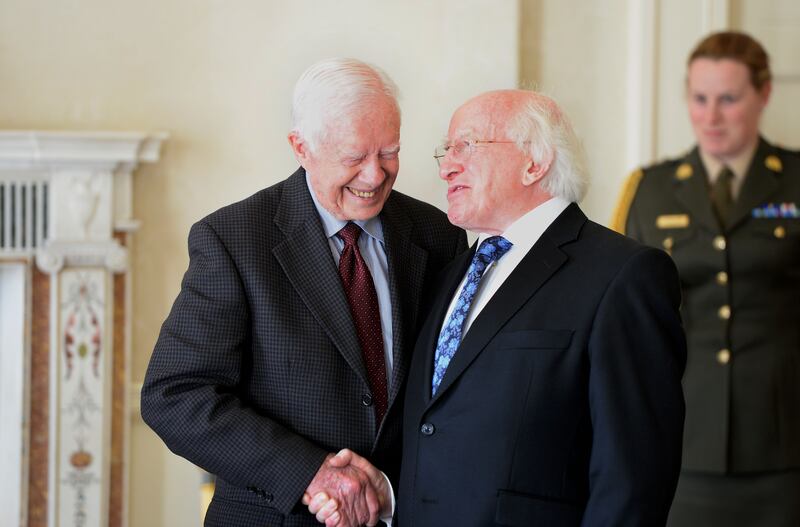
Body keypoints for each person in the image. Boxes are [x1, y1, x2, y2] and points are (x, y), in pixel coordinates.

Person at [140, 58, 467, 527]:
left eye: (389, 152)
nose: (375, 175)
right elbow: (174, 394)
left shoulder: (438, 235)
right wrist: (310, 474)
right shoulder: (234, 239)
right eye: (354, 157)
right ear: (301, 148)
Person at [382, 88, 683, 526]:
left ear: (534, 163)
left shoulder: (623, 275)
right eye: (446, 151)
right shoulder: (448, 274)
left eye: (466, 145)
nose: (447, 167)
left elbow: (633, 479)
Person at [612, 31, 800, 526]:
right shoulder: (649, 189)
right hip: (681, 436)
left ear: (764, 94)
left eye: (728, 99)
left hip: (785, 443)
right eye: (699, 99)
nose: (711, 116)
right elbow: (621, 318)